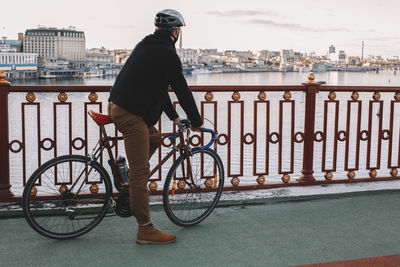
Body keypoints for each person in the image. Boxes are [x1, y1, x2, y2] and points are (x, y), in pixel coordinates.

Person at [108, 9, 203, 244]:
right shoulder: (167, 53)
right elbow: (181, 89)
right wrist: (197, 122)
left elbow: (159, 88)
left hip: (119, 105)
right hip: (130, 114)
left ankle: (128, 185)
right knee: (141, 173)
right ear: (176, 32)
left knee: (155, 139)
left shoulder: (147, 45)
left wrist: (174, 117)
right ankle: (145, 228)